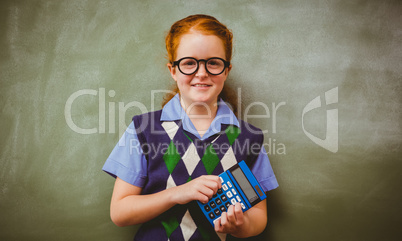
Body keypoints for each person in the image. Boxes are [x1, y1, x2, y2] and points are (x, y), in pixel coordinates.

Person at [102, 14, 278, 241]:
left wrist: (240, 225)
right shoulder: (143, 129)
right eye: (188, 63)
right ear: (173, 70)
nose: (202, 73)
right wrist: (177, 193)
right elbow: (120, 212)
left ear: (226, 70)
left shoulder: (248, 138)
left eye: (213, 62)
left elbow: (258, 217)